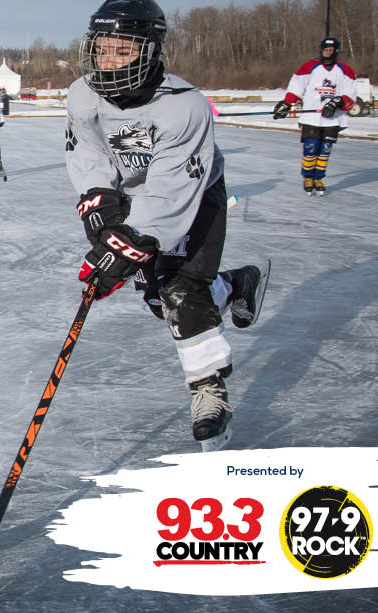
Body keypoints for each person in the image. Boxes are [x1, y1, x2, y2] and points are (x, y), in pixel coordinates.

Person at [66, 0, 265, 452]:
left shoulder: (184, 107)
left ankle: (209, 392)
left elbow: (172, 193)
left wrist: (127, 245)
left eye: (124, 50)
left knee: (181, 291)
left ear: (151, 51)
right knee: (161, 299)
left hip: (194, 196)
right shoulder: (83, 94)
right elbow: (90, 157)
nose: (109, 61)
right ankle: (235, 284)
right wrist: (102, 215)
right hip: (138, 196)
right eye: (103, 49)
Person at [272, 36, 358, 196]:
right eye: (325, 50)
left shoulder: (345, 70)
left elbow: (351, 93)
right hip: (311, 118)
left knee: (325, 150)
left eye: (331, 50)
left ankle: (318, 178)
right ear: (321, 50)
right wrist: (286, 103)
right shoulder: (309, 67)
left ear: (336, 51)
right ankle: (307, 177)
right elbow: (296, 87)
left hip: (332, 119)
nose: (327, 53)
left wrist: (338, 102)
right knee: (311, 148)